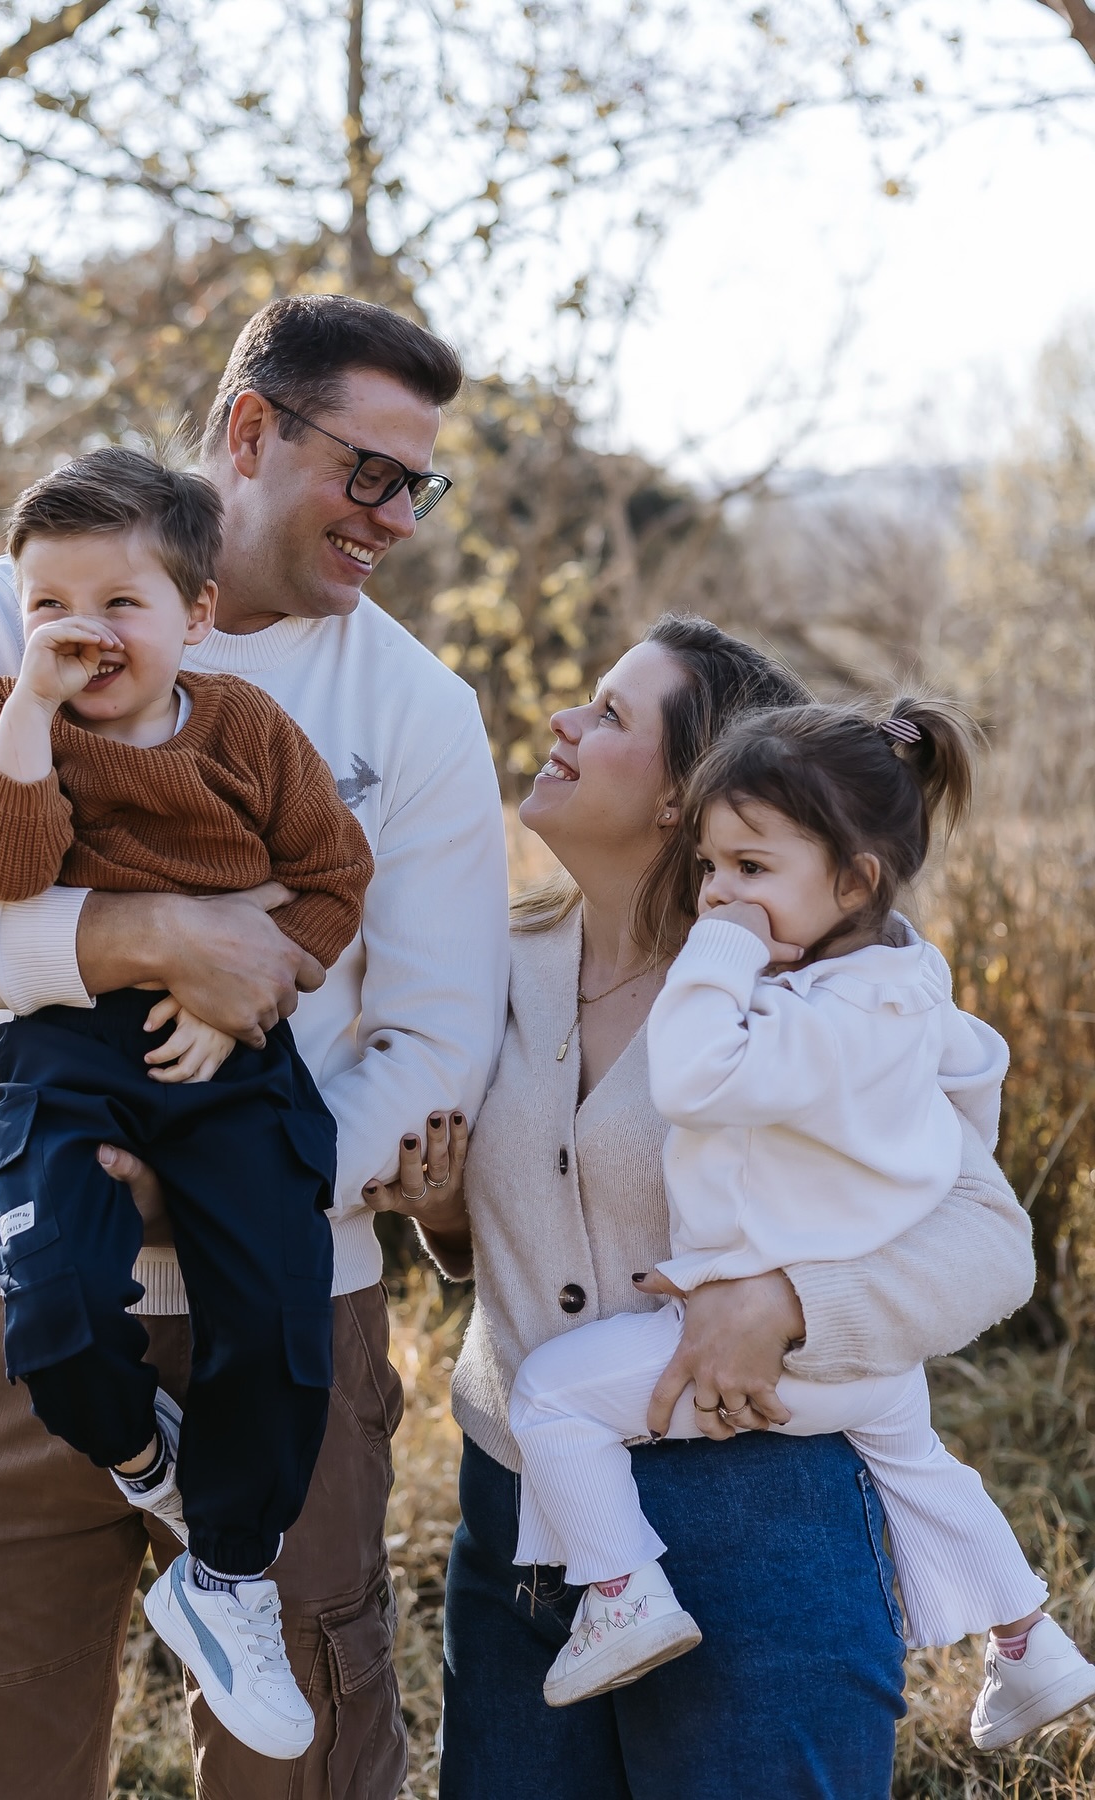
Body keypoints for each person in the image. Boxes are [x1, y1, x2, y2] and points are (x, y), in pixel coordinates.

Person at [0, 295, 510, 1800]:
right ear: (251, 430)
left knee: (306, 1769)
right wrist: (140, 936)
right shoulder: (10, 619)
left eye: (419, 485)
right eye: (370, 472)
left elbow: (442, 1039)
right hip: (15, 1294)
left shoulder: (419, 712)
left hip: (288, 1302)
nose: (394, 518)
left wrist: (240, 1175)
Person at [363, 614, 1042, 1798]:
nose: (566, 722)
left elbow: (990, 1241)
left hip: (757, 1512)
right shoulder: (490, 962)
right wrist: (451, 1222)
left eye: (613, 714)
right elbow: (528, 1213)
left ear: (691, 795)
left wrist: (787, 1303)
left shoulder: (826, 984)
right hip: (520, 1515)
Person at [505, 695, 1095, 1749]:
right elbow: (979, 1065)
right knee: (920, 1467)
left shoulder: (808, 1015)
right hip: (864, 1359)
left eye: (751, 870)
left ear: (855, 881)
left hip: (789, 1355)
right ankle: (1029, 1644)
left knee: (551, 1398)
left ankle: (624, 1591)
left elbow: (690, 1076)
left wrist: (718, 956)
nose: (720, 895)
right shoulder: (902, 989)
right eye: (711, 870)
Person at [0, 444, 377, 1761]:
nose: (82, 632)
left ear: (197, 614)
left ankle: (228, 1574)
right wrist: (23, 718)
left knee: (280, 1302)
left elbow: (330, 881)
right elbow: (0, 870)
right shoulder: (8, 720)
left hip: (227, 1046)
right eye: (49, 605)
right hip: (60, 1044)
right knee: (52, 1298)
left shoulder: (246, 735)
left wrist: (246, 984)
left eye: (119, 604)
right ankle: (139, 1453)